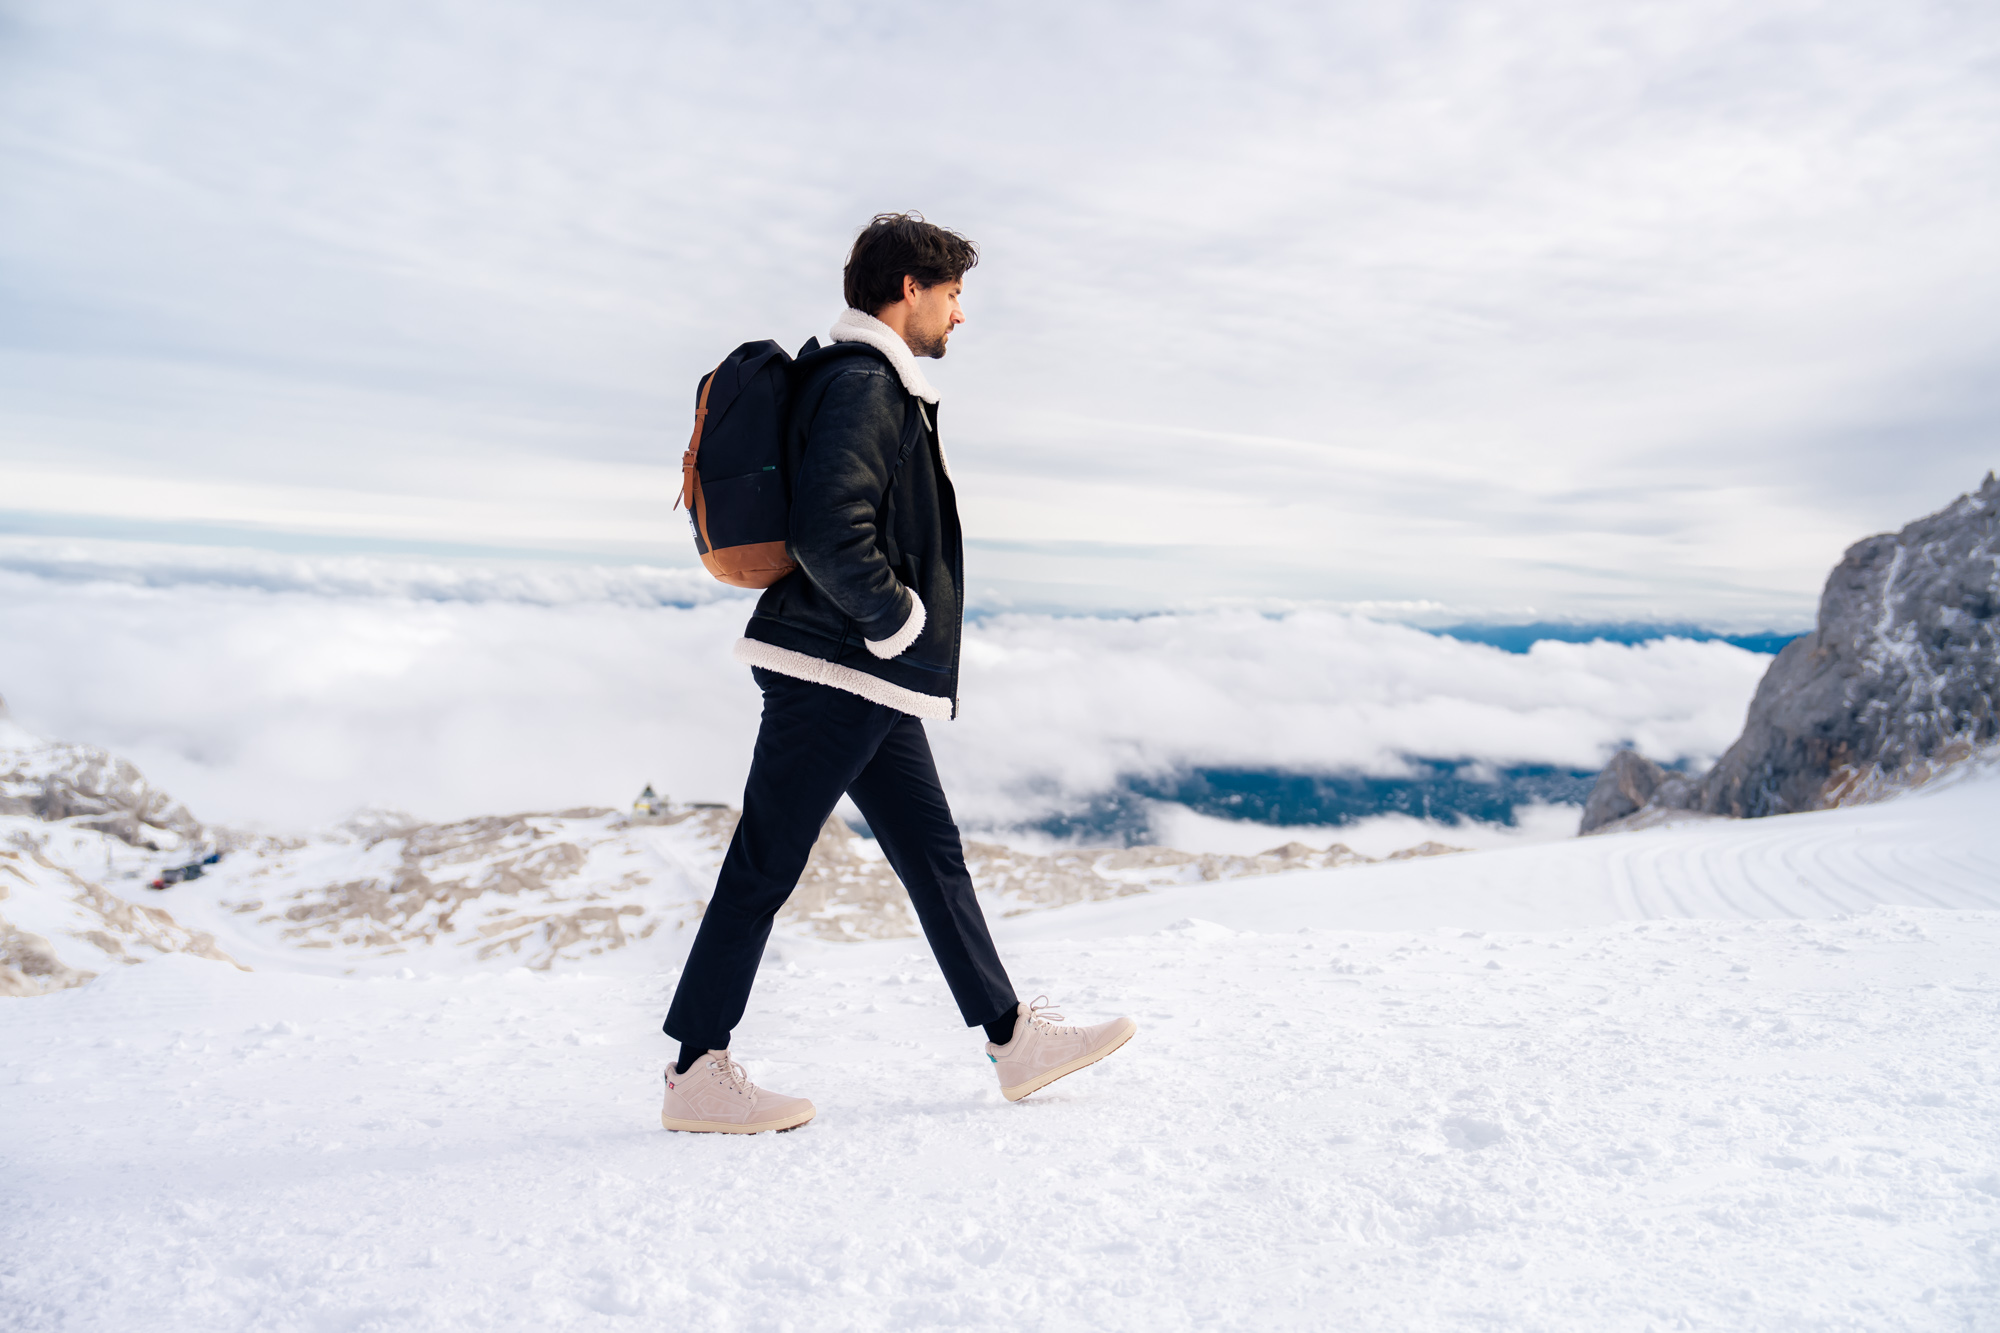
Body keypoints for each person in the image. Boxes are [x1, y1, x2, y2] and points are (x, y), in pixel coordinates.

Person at [659, 214, 1135, 1134]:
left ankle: (1011, 1037)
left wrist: (892, 644)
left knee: (930, 852)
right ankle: (695, 1070)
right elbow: (831, 530)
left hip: (865, 675)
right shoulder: (867, 384)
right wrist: (897, 620)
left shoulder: (865, 380)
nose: (960, 316)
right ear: (908, 290)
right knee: (767, 861)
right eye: (953, 295)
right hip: (838, 666)